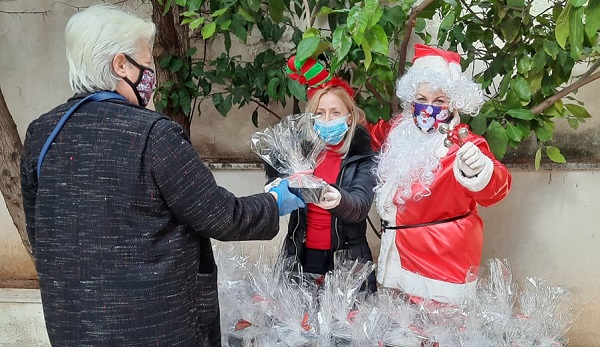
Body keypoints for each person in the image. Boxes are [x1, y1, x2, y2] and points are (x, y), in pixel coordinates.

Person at [20, 4, 303, 346]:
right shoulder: (155, 135)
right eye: (148, 60)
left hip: (72, 326)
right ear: (121, 65)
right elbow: (222, 217)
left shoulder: (42, 133)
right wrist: (277, 200)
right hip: (155, 329)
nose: (152, 71)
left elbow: (40, 233)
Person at [369, 44, 512, 304]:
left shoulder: (464, 143)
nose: (428, 108)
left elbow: (497, 188)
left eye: (439, 101)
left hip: (442, 262)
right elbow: (368, 133)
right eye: (421, 100)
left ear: (452, 104)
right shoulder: (400, 130)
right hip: (398, 255)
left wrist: (481, 170)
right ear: (411, 101)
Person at [264, 56, 377, 292]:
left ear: (349, 117)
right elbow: (279, 191)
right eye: (320, 113)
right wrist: (276, 186)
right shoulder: (300, 157)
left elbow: (360, 205)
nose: (327, 120)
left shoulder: (362, 158)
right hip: (300, 255)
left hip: (348, 260)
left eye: (335, 112)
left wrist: (338, 199)